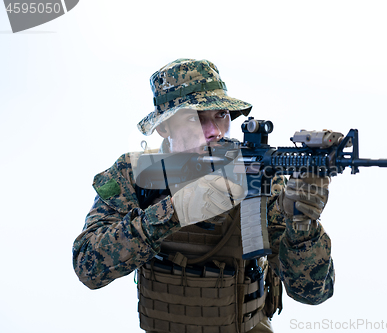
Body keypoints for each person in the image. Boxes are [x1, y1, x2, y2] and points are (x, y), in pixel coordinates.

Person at [73, 58, 335, 333]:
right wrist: (172, 212)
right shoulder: (134, 173)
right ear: (164, 127)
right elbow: (87, 266)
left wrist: (303, 225)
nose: (215, 131)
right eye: (195, 118)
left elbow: (312, 292)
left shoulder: (256, 173)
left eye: (221, 114)